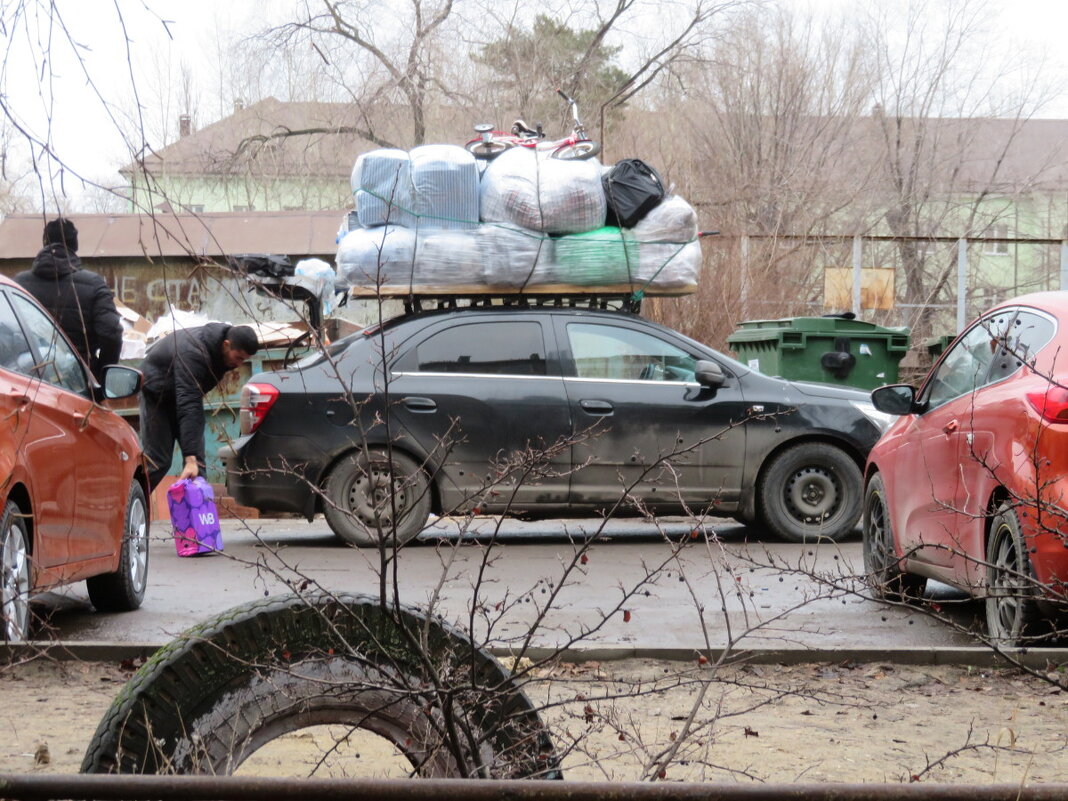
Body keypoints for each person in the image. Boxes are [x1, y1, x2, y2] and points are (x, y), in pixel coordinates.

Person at [139, 322, 259, 492]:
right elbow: (189, 403)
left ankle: (199, 516)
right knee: (158, 462)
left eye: (245, 360)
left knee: (198, 464)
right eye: (239, 357)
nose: (240, 363)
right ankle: (124, 508)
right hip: (156, 396)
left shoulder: (221, 350)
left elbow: (189, 400)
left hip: (182, 394)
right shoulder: (194, 352)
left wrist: (192, 457)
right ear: (226, 345)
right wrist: (189, 459)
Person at [15, 217, 123, 382]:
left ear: (45, 243)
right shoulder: (94, 285)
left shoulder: (18, 284)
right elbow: (111, 334)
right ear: (75, 246)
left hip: (25, 380)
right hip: (77, 381)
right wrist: (99, 374)